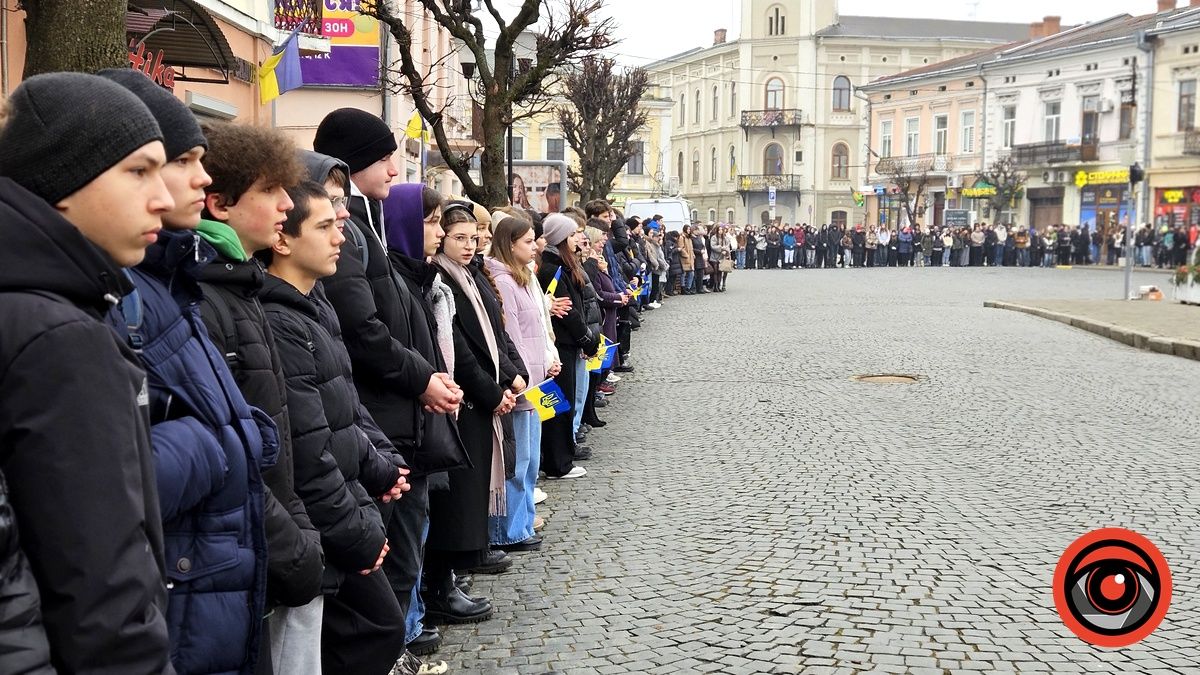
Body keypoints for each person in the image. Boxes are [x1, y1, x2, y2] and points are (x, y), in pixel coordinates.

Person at [102, 73, 318, 675]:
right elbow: (113, 477)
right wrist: (226, 442)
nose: (201, 176)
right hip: (191, 582)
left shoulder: (183, 283)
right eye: (181, 161)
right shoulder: (127, 296)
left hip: (222, 571)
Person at [0, 71, 174, 675]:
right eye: (138, 171)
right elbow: (102, 585)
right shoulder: (59, 336)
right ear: (63, 177)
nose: (165, 198)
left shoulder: (50, 305)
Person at [315, 110, 463, 668]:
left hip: (396, 414)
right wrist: (421, 376)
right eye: (386, 156)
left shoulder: (364, 221)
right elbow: (363, 327)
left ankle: (398, 647)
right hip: (386, 419)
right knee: (392, 554)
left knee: (403, 550)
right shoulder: (349, 226)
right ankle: (393, 654)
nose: (396, 166)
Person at [258, 182, 409, 674]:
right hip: (323, 522)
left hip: (344, 503)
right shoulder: (281, 320)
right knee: (370, 632)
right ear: (282, 240)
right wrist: (356, 531)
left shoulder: (315, 303)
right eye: (325, 227)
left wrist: (385, 465)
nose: (339, 239)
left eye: (339, 225)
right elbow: (306, 446)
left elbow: (347, 407)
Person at [487, 212, 560, 549]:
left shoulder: (523, 276)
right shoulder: (502, 280)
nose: (535, 247)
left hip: (536, 380)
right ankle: (509, 531)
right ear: (509, 244)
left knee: (530, 460)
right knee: (517, 464)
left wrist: (548, 362)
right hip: (522, 384)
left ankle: (523, 522)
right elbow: (512, 337)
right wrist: (524, 378)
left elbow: (538, 329)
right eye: (528, 242)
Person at [537, 215, 600, 479]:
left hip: (568, 341)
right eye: (573, 234)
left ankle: (563, 454)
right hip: (561, 343)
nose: (579, 239)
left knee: (567, 400)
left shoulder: (562, 263)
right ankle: (558, 463)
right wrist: (586, 338)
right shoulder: (553, 267)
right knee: (560, 404)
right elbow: (567, 310)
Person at [678, 224, 696, 292]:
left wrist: (693, 254)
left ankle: (688, 287)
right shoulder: (682, 237)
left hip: (690, 257)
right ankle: (683, 288)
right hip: (684, 258)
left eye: (689, 229)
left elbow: (691, 248)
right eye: (687, 229)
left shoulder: (689, 238)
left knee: (691, 273)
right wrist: (686, 255)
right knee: (684, 273)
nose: (689, 230)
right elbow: (681, 247)